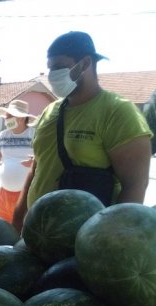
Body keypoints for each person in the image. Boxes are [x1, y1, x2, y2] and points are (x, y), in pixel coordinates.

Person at [12, 31, 152, 231]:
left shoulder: (118, 112)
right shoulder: (50, 111)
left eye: (59, 67)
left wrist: (106, 239)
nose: (52, 76)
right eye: (50, 68)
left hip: (84, 237)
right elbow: (37, 168)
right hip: (40, 233)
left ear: (85, 63)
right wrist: (18, 219)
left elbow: (135, 186)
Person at [0, 99, 37, 223]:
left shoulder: (34, 135)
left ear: (21, 118)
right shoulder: (3, 135)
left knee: (22, 230)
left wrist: (36, 162)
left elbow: (44, 160)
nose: (6, 118)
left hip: (26, 195)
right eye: (6, 115)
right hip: (4, 194)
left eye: (10, 115)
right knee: (4, 228)